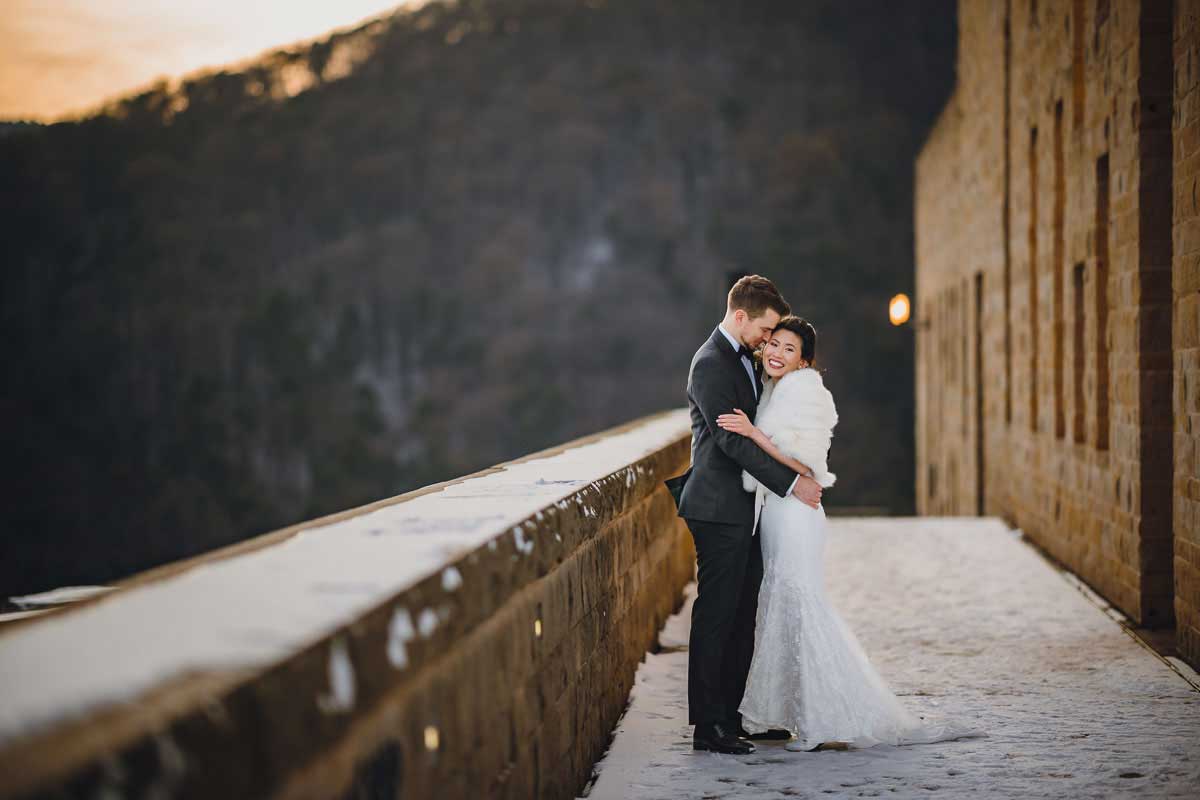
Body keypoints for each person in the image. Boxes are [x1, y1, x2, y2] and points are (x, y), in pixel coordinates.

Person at [718, 315, 978, 751]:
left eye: (789, 349)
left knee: (802, 607)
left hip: (797, 514)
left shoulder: (807, 392)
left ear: (805, 361)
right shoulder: (774, 390)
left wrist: (752, 433)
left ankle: (820, 722)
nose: (777, 354)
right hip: (778, 513)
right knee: (780, 607)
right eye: (774, 345)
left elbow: (806, 466)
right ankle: (785, 715)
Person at [670, 275, 825, 755]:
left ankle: (732, 715)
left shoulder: (743, 358)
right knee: (716, 616)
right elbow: (730, 440)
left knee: (741, 615)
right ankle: (707, 726)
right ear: (741, 317)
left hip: (746, 507)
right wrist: (792, 483)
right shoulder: (711, 364)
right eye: (765, 329)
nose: (766, 340)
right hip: (717, 509)